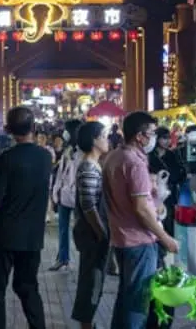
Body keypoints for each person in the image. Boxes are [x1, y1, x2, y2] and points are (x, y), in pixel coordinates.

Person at [103, 112, 179, 329]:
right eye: (152, 133)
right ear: (139, 136)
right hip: (139, 240)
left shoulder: (113, 157)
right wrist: (165, 238)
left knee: (126, 297)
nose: (154, 138)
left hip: (120, 237)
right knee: (138, 302)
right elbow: (141, 209)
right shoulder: (134, 163)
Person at [0, 106, 51, 329]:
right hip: (33, 236)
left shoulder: (5, 159)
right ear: (34, 128)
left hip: (4, 234)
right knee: (28, 286)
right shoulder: (45, 157)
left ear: (9, 130)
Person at [70, 121, 111, 329]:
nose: (108, 139)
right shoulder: (88, 166)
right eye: (104, 135)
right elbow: (89, 206)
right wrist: (102, 233)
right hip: (92, 234)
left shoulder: (94, 164)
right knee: (91, 280)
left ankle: (88, 321)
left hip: (94, 233)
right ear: (94, 140)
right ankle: (86, 323)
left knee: (94, 279)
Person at [49, 122, 82, 271]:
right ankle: (63, 258)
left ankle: (83, 259)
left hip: (80, 197)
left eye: (66, 131)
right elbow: (61, 174)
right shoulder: (67, 150)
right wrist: (56, 191)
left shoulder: (83, 152)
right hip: (64, 195)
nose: (64, 134)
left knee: (81, 229)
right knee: (63, 229)